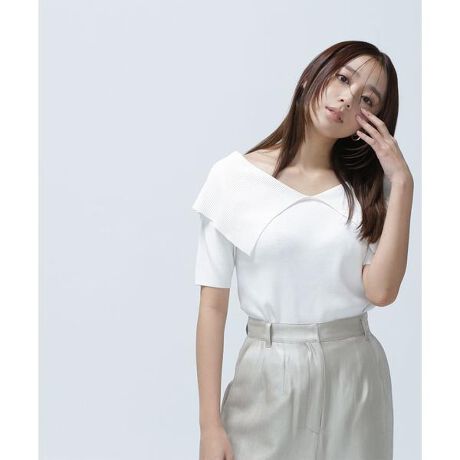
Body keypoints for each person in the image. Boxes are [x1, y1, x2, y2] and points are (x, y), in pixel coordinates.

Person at [192, 40, 413, 460]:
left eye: (367, 100)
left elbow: (382, 291)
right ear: (313, 75)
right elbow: (212, 307)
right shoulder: (233, 179)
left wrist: (402, 183)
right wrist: (209, 426)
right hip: (268, 373)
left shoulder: (369, 190)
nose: (348, 98)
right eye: (343, 78)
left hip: (355, 373)